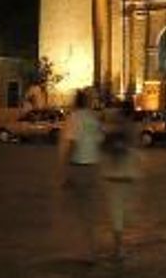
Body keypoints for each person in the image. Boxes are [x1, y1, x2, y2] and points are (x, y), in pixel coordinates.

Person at [58, 89, 103, 264]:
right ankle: (89, 248)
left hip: (79, 167)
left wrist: (64, 169)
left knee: (79, 209)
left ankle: (85, 250)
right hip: (93, 167)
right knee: (88, 209)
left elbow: (71, 143)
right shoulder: (93, 118)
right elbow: (100, 141)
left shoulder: (75, 118)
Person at [102, 99, 142, 261]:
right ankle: (119, 248)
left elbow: (107, 147)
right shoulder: (131, 128)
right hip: (127, 175)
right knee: (122, 213)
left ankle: (118, 248)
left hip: (116, 176)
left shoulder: (116, 128)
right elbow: (132, 149)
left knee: (118, 213)